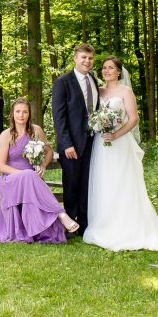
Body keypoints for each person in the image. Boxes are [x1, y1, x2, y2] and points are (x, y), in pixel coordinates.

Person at [83, 56, 158, 252]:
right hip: (101, 144)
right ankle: (104, 223)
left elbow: (133, 119)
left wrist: (115, 134)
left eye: (111, 68)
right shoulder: (98, 91)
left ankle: (126, 226)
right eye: (104, 68)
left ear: (119, 71)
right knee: (104, 181)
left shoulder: (126, 91)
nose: (106, 71)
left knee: (121, 181)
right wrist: (99, 126)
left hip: (120, 143)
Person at [0, 98, 78, 243]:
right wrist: (25, 174)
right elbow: (0, 166)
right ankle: (60, 214)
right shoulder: (5, 135)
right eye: (18, 111)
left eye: (25, 112)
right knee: (29, 175)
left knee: (30, 176)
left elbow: (49, 152)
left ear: (29, 114)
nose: (21, 115)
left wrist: (43, 165)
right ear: (12, 114)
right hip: (11, 179)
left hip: (32, 180)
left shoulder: (36, 130)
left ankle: (51, 221)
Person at [51, 43, 97, 235]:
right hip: (71, 144)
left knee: (86, 184)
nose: (87, 61)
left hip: (92, 142)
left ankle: (84, 224)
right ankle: (69, 225)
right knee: (71, 184)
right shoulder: (63, 82)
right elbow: (59, 116)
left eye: (90, 58)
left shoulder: (93, 79)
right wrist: (66, 143)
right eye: (83, 57)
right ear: (75, 58)